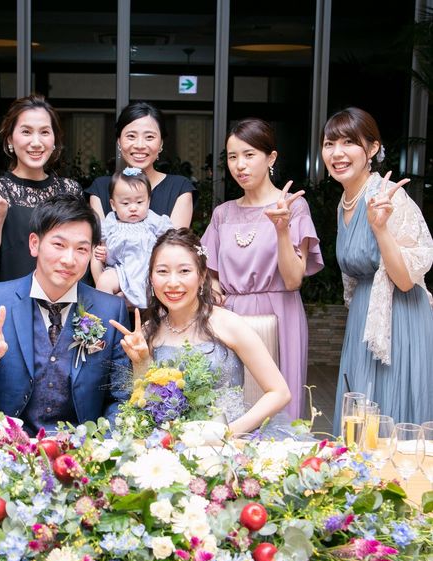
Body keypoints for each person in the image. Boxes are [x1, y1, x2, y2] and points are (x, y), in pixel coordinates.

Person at [0, 194, 131, 435]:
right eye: (59, 245)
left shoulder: (110, 311)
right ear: (34, 244)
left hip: (80, 449)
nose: (69, 260)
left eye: (81, 249)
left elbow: (121, 397)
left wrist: (100, 444)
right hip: (4, 447)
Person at [109, 228, 292, 435]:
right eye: (162, 271)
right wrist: (140, 362)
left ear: (202, 275)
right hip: (170, 443)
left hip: (232, 440)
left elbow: (279, 392)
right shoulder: (148, 332)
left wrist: (227, 434)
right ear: (151, 278)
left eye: (184, 271)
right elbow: (145, 405)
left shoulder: (229, 324)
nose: (173, 282)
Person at [200, 118, 323, 421]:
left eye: (249, 154)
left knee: (279, 409)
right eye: (232, 157)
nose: (240, 165)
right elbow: (209, 272)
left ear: (271, 158)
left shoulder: (293, 206)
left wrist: (282, 229)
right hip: (232, 317)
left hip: (281, 314)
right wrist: (213, 288)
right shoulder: (222, 214)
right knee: (231, 404)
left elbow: (293, 280)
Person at [322, 107, 433, 430]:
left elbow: (405, 280)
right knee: (360, 415)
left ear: (372, 149)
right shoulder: (345, 202)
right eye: (329, 144)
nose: (337, 153)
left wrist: (380, 228)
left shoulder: (390, 198)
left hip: (399, 318)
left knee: (391, 414)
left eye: (348, 142)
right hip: (363, 315)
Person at [0, 94, 83, 283]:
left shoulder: (71, 191)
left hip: (62, 298)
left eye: (44, 132)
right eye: (26, 132)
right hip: (11, 299)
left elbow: (81, 252)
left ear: (54, 140)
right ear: (10, 140)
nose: (36, 142)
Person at [87, 101, 197, 228]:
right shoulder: (101, 188)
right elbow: (100, 238)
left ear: (161, 143)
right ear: (119, 142)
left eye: (149, 137)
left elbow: (176, 240)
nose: (140, 145)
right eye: (131, 136)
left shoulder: (179, 188)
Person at [91, 167, 173, 308]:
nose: (133, 208)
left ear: (148, 201)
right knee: (104, 280)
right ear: (113, 205)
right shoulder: (110, 224)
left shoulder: (152, 221)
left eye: (139, 202)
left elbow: (170, 238)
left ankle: (160, 316)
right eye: (126, 203)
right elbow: (104, 247)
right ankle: (106, 315)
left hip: (147, 271)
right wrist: (103, 254)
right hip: (120, 270)